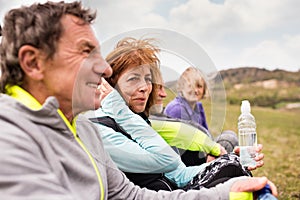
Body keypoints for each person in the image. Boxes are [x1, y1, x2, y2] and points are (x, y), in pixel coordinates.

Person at [0, 1, 278, 199]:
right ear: (33, 62)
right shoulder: (9, 137)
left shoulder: (80, 130)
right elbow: (166, 160)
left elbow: (129, 194)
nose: (104, 70)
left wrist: (224, 192)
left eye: (149, 79)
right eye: (86, 51)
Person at [86, 37, 271, 196]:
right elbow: (166, 160)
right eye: (133, 78)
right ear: (109, 86)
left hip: (174, 189)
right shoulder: (102, 128)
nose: (145, 87)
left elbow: (178, 173)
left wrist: (228, 161)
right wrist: (118, 108)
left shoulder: (137, 119)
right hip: (161, 196)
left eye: (147, 79)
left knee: (232, 166)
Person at [164, 66, 239, 165]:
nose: (195, 90)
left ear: (204, 89)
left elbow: (206, 135)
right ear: (182, 87)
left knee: (230, 135)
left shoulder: (198, 106)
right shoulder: (177, 109)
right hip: (185, 159)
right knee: (229, 140)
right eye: (190, 86)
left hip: (198, 151)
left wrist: (212, 148)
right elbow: (185, 145)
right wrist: (211, 150)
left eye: (199, 86)